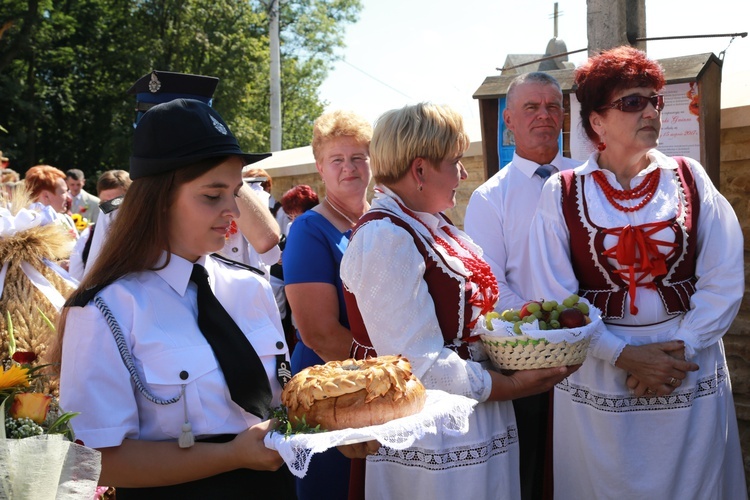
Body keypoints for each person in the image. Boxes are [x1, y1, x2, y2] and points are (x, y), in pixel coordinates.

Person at [528, 46, 746, 499]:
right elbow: (553, 293)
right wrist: (623, 355)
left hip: (687, 364)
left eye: (655, 101)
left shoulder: (689, 178)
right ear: (596, 122)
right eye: (632, 102)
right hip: (601, 371)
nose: (650, 110)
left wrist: (678, 352)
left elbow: (723, 275)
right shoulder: (562, 192)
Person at [56, 99, 294, 497]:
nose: (232, 211)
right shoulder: (105, 309)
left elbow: (280, 405)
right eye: (212, 195)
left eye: (235, 192)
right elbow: (95, 460)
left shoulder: (251, 287)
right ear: (160, 199)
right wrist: (233, 455)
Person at [340, 102, 577, 500]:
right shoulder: (385, 237)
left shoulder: (434, 226)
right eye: (455, 161)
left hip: (474, 416)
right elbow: (417, 366)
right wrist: (513, 385)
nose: (463, 174)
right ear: (419, 170)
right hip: (430, 433)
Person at [464, 71, 581, 500]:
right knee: (534, 476)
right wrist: (558, 333)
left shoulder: (588, 180)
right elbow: (492, 289)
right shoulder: (489, 198)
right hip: (531, 364)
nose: (544, 116)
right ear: (508, 121)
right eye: (531, 108)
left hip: (601, 357)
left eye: (552, 106)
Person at [84, 70, 281, 277]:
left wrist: (223, 174)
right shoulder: (120, 210)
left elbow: (267, 243)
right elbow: (96, 285)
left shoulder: (242, 193)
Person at [282, 110, 372, 500]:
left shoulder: (381, 217)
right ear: (321, 167)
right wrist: (382, 380)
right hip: (332, 390)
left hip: (379, 381)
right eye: (337, 159)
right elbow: (319, 332)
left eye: (358, 157)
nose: (348, 168)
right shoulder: (308, 229)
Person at [69, 169, 132, 281]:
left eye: (116, 203)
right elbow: (76, 280)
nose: (110, 210)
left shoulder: (150, 235)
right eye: (105, 204)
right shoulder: (88, 236)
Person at [24, 164, 78, 238]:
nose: (68, 197)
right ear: (46, 196)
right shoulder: (27, 226)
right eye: (63, 192)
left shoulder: (65, 219)